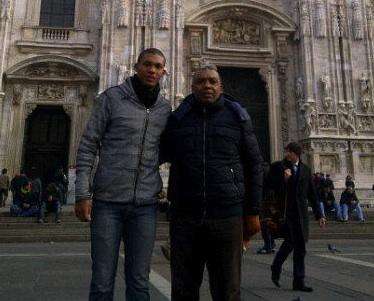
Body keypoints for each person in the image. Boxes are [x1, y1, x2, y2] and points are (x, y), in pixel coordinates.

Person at [75, 48, 171, 300]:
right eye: (147, 64)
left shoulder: (164, 108)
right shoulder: (112, 98)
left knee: (140, 282)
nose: (152, 70)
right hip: (108, 203)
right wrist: (82, 193)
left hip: (145, 205)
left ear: (164, 71)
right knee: (102, 281)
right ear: (136, 66)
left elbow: (166, 150)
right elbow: (88, 145)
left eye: (158, 66)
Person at [161, 64, 263, 300]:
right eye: (201, 81)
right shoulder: (179, 119)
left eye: (212, 81)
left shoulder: (238, 118)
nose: (207, 85)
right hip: (186, 216)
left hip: (226, 215)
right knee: (184, 288)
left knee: (227, 288)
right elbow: (157, 153)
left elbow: (254, 164)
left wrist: (253, 211)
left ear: (221, 86)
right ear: (192, 85)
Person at [266, 142, 326, 292]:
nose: (286, 154)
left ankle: (298, 281)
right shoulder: (278, 167)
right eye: (286, 152)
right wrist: (283, 180)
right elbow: (268, 186)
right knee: (291, 243)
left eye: (289, 152)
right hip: (285, 213)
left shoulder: (305, 170)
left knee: (299, 247)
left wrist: (319, 215)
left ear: (296, 154)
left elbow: (312, 194)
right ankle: (277, 266)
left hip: (301, 214)